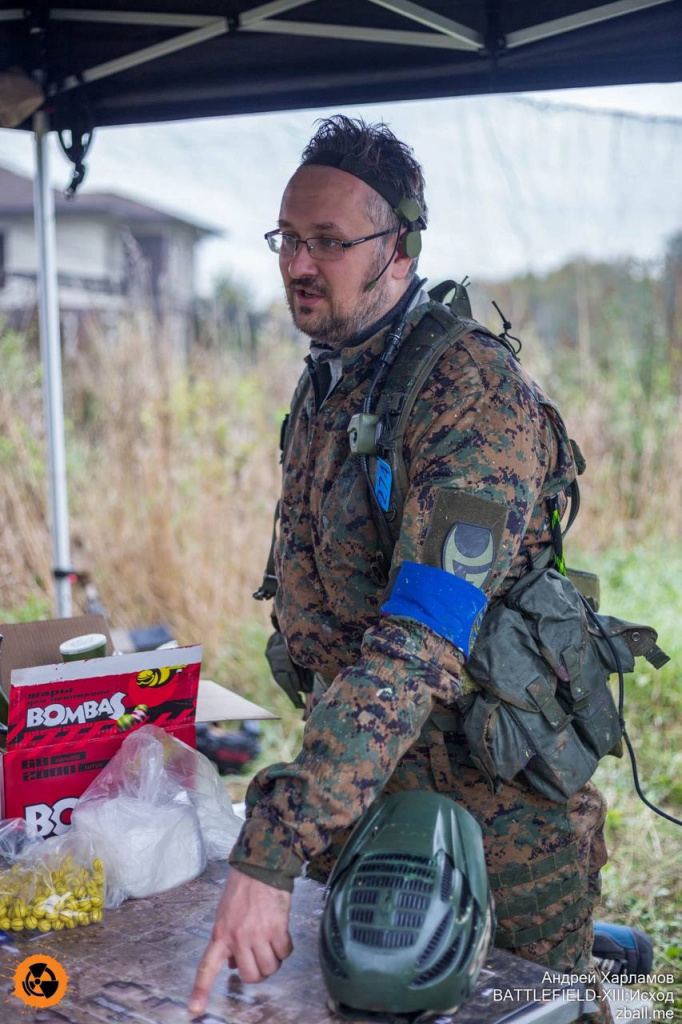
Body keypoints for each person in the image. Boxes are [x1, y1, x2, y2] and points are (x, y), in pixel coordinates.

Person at [189, 116, 611, 1022]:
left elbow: (421, 639)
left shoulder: (470, 395)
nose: (299, 264)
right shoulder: (335, 377)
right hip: (370, 796)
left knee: (534, 1010)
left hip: (499, 822)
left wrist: (277, 841)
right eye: (288, 239)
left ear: (401, 248)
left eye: (330, 243)